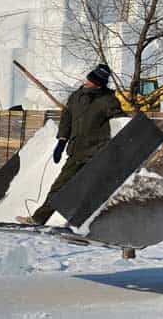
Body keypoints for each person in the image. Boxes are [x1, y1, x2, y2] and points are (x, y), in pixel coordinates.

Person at [18, 64, 124, 225]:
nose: (86, 81)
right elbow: (67, 118)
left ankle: (85, 223)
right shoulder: (77, 96)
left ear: (98, 83)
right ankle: (39, 218)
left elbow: (120, 122)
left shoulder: (108, 101)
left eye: (90, 80)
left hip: (97, 153)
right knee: (59, 187)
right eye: (87, 79)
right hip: (77, 152)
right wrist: (61, 141)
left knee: (91, 191)